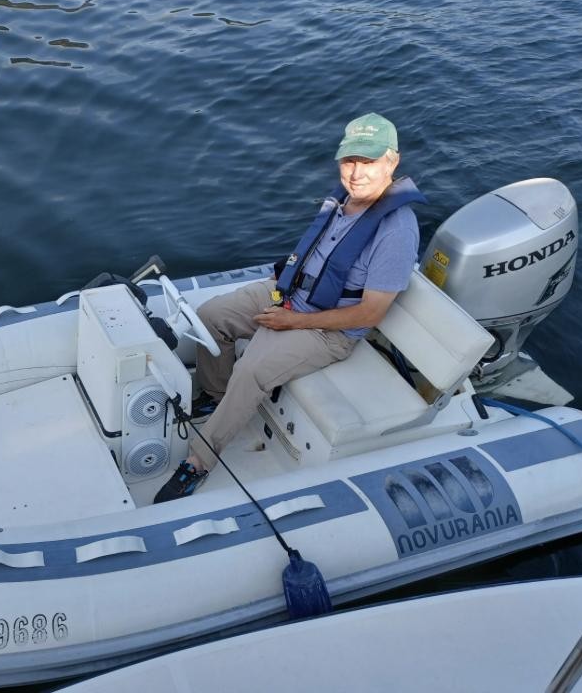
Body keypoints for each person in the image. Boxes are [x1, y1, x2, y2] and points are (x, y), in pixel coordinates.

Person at [154, 113, 425, 503]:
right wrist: (286, 304)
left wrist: (294, 321)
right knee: (212, 317)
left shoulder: (396, 230)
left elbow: (369, 315)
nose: (356, 172)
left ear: (392, 161)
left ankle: (199, 462)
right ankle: (217, 394)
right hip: (289, 297)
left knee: (251, 370)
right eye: (350, 161)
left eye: (369, 162)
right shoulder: (343, 202)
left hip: (327, 330)